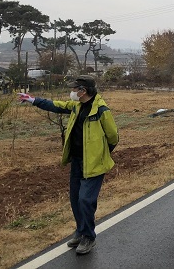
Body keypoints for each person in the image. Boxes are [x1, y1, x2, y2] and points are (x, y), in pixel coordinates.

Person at [18, 75, 119, 255]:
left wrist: (101, 154)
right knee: (75, 199)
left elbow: (113, 137)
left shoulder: (101, 110)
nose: (72, 92)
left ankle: (89, 237)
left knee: (85, 200)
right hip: (77, 162)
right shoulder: (76, 106)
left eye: (74, 89)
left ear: (83, 91)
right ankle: (81, 231)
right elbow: (56, 105)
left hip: (94, 164)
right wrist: (33, 100)